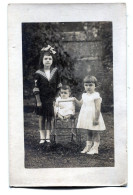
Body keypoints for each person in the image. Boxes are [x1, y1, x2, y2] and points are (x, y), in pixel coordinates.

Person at [33, 45, 61, 144]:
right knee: (41, 117)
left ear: (52, 60)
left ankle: (48, 137)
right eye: (46, 59)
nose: (48, 60)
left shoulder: (55, 72)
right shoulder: (38, 73)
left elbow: (58, 85)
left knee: (49, 118)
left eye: (50, 58)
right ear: (42, 60)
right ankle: (42, 137)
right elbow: (36, 88)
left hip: (51, 99)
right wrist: (38, 101)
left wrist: (56, 97)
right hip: (41, 99)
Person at [75, 75, 106, 154]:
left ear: (95, 86)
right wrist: (74, 99)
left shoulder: (96, 95)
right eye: (86, 85)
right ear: (84, 86)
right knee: (88, 131)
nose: (88, 87)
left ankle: (95, 148)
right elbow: (80, 104)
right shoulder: (84, 95)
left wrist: (96, 119)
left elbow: (98, 108)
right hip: (86, 116)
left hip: (94, 116)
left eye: (91, 85)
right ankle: (88, 146)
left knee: (95, 132)